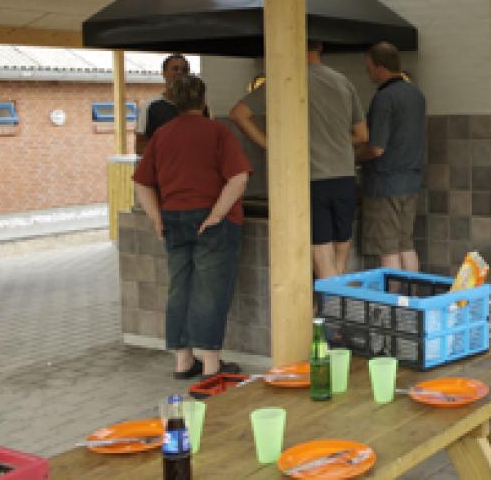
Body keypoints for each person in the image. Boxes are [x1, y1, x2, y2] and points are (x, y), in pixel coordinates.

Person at [133, 75, 251, 379]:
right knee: (211, 291)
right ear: (204, 100)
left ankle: (183, 362)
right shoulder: (217, 131)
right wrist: (217, 214)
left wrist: (156, 217)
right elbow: (239, 177)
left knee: (180, 288)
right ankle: (212, 366)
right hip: (211, 221)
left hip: (173, 219)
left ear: (174, 101)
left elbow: (141, 182)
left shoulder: (162, 134)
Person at [229, 41, 368, 279]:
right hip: (345, 178)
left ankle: (328, 303)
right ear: (320, 49)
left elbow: (238, 114)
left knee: (322, 253)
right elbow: (362, 135)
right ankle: (331, 299)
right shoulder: (343, 82)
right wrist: (333, 141)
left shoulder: (286, 80)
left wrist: (272, 146)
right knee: (341, 249)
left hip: (312, 179)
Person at [356, 42, 426, 271]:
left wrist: (354, 156)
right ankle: (412, 292)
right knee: (406, 244)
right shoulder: (416, 94)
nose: (367, 73)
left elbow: (377, 148)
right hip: (411, 181)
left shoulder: (384, 98)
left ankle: (392, 295)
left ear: (380, 67)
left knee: (387, 249)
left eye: (368, 67)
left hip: (384, 184)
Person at [135, 53, 190, 155]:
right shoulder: (149, 106)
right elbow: (140, 147)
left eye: (184, 70)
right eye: (175, 69)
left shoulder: (199, 107)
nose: (180, 73)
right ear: (164, 73)